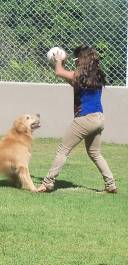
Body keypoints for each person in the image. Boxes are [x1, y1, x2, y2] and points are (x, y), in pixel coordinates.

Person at [38, 45, 117, 193]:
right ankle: (111, 185)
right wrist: (61, 65)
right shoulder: (96, 75)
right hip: (99, 119)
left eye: (76, 58)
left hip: (85, 119)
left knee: (63, 150)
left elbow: (59, 72)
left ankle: (47, 183)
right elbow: (68, 77)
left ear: (81, 60)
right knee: (95, 153)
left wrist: (59, 61)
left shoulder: (79, 75)